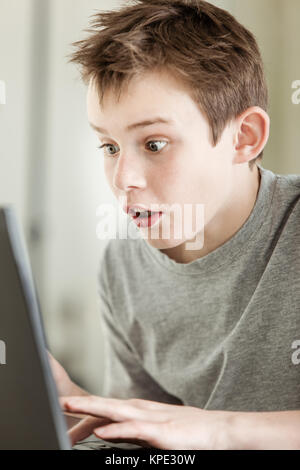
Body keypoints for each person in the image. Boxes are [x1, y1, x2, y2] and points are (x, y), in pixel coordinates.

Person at [51, 0, 300, 449]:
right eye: (109, 147)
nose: (123, 179)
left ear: (244, 138)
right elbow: (151, 450)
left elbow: (195, 436)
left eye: (155, 143)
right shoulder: (123, 263)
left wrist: (217, 431)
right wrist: (86, 415)